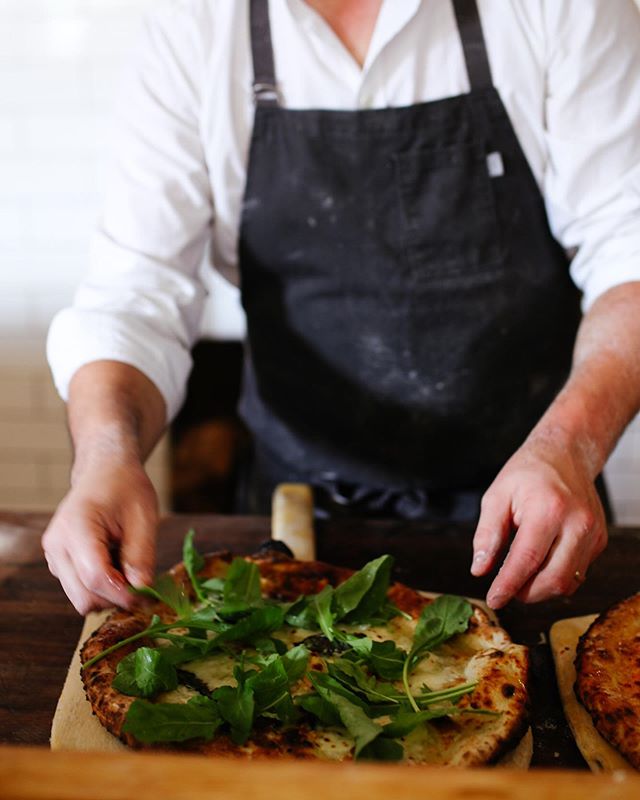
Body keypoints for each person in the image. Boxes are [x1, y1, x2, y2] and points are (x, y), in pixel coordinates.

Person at [43, 0, 640, 616]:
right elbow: (134, 294)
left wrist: (571, 445)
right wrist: (105, 456)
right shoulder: (195, 27)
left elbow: (630, 257)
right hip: (296, 522)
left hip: (534, 513)